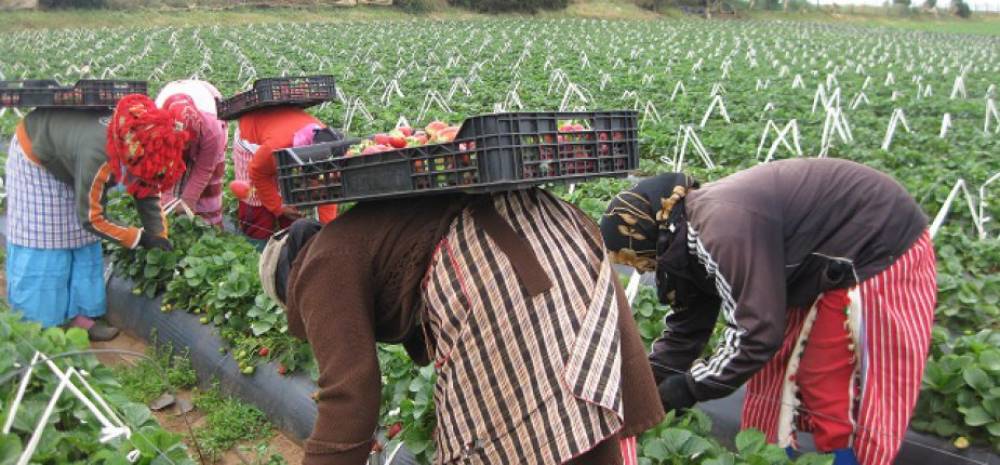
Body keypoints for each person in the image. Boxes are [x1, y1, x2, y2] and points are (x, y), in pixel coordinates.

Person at [259, 190, 665, 465]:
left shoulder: (318, 269)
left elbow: (349, 395)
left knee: (506, 436)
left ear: (288, 287)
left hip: (497, 266)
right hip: (554, 232)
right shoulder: (361, 233)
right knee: (579, 422)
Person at [599, 158, 936, 465]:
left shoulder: (718, 228)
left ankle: (850, 459)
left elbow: (757, 335)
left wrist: (689, 387)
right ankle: (774, 456)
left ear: (642, 234)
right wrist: (648, 385)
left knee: (828, 376)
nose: (640, 269)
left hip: (873, 244)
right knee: (773, 374)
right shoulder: (679, 236)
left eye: (634, 258)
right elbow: (688, 328)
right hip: (813, 266)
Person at [6, 94, 190, 340]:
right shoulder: (100, 155)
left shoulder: (138, 144)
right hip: (38, 157)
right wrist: (139, 238)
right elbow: (92, 218)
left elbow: (146, 186)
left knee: (81, 241)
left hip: (72, 157)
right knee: (45, 244)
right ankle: (39, 328)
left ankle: (79, 320)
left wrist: (159, 235)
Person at [232, 106, 339, 246]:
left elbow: (327, 193)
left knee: (291, 200)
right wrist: (278, 207)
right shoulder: (276, 147)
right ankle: (256, 248)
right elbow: (257, 173)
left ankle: (287, 243)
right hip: (253, 142)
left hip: (279, 137)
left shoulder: (328, 144)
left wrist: (326, 233)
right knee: (257, 205)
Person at [155, 80, 228, 226]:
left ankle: (212, 224)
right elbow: (161, 168)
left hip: (208, 107)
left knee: (209, 192)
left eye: (188, 143)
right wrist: (167, 201)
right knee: (164, 200)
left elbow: (204, 169)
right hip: (168, 120)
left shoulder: (212, 129)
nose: (185, 147)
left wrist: (188, 202)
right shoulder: (153, 128)